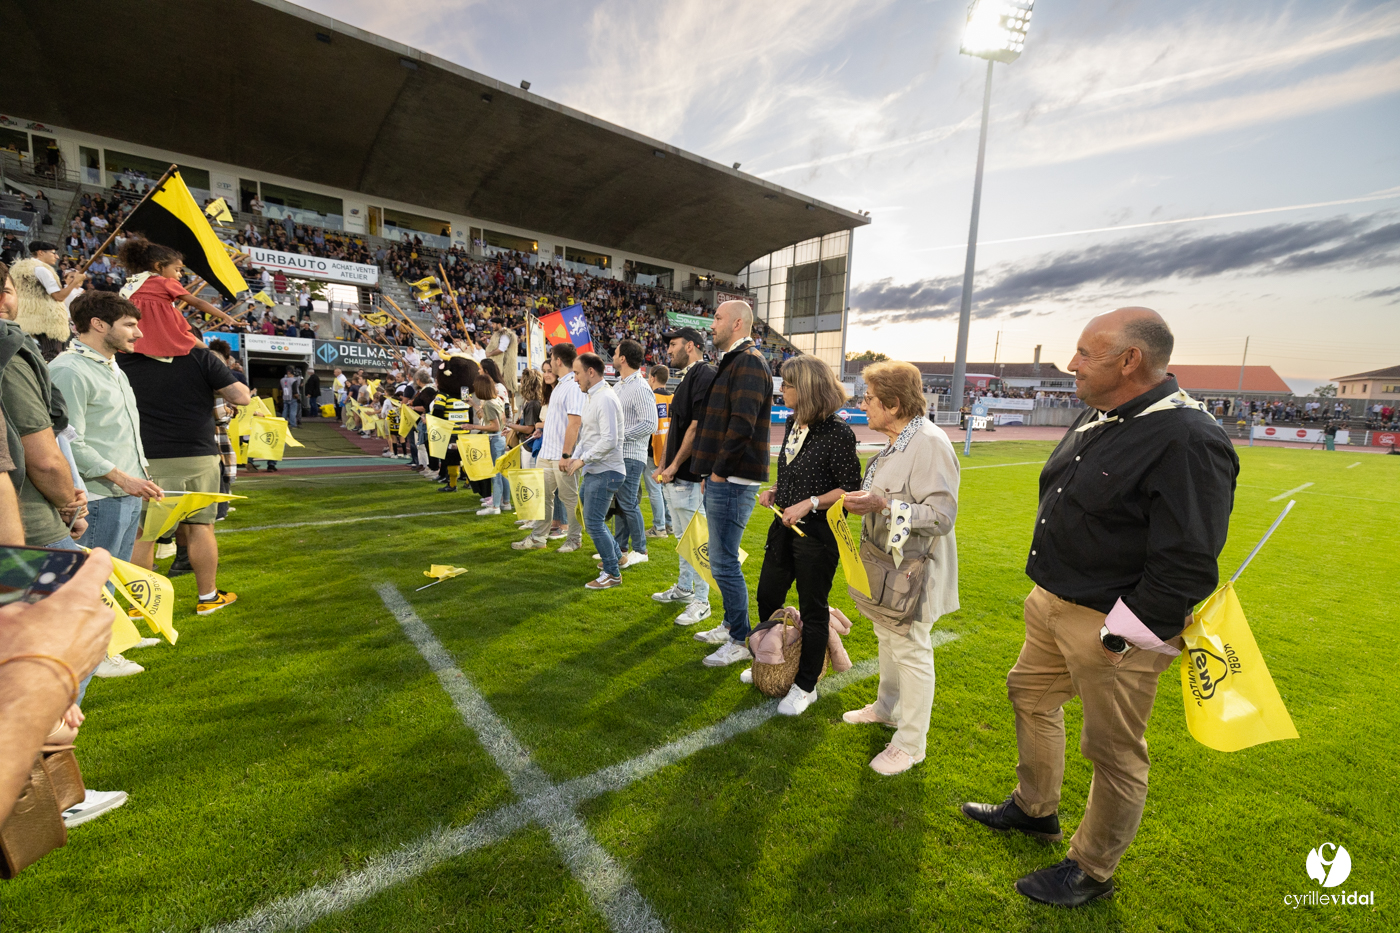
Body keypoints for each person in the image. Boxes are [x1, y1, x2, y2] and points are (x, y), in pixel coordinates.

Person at [961, 308, 1238, 907]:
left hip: (1112, 624)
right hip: (1053, 602)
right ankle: (1035, 809)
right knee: (1029, 694)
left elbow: (1189, 558)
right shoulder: (1102, 413)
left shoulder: (1188, 437)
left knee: (1112, 748)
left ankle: (1092, 867)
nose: (1071, 364)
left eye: (1086, 353)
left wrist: (1125, 633)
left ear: (1129, 360)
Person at [840, 361, 960, 775]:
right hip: (887, 566)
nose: (863, 405)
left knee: (910, 648)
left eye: (869, 399)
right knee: (887, 637)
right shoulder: (900, 439)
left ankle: (911, 743)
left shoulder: (928, 441)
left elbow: (942, 516)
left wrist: (884, 505)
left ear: (893, 404)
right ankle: (886, 709)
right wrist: (869, 501)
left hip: (915, 569)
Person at [754, 355, 862, 716]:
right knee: (768, 592)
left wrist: (809, 503)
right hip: (783, 525)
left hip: (817, 533)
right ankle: (774, 659)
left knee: (813, 608)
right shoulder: (791, 422)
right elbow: (794, 474)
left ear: (808, 388)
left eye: (786, 384)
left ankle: (806, 684)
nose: (780, 389)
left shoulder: (839, 432)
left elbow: (850, 490)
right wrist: (775, 490)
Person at [119, 332, 253, 615]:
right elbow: (242, 397)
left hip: (148, 457)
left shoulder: (123, 359)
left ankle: (141, 606)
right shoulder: (200, 357)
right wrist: (202, 350)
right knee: (201, 527)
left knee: (144, 534)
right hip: (198, 456)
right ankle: (208, 597)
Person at [50, 292, 164, 564]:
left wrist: (136, 477)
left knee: (112, 585)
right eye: (129, 324)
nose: (138, 333)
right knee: (93, 590)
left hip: (125, 492)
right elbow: (67, 443)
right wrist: (123, 478)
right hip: (97, 498)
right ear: (98, 324)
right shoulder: (69, 370)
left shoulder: (113, 368)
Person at [689, 300, 773, 667]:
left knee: (724, 563)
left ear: (738, 323)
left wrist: (719, 470)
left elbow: (743, 422)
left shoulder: (749, 361)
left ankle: (740, 638)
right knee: (722, 560)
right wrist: (711, 471)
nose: (713, 325)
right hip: (724, 476)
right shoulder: (736, 361)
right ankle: (730, 624)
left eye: (718, 318)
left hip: (734, 478)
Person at [651, 327, 716, 626]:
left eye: (674, 344)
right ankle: (685, 589)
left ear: (691, 346)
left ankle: (702, 601)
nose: (669, 350)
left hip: (689, 476)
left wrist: (674, 466)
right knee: (682, 539)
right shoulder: (687, 377)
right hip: (676, 475)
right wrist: (664, 464)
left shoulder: (703, 375)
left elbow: (695, 427)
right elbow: (677, 430)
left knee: (696, 539)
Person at [560, 352, 625, 588]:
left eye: (577, 373)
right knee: (593, 521)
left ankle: (612, 573)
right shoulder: (593, 397)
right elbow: (588, 437)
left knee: (594, 522)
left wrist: (581, 459)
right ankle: (617, 556)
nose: (574, 378)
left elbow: (609, 439)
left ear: (590, 372)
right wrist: (573, 457)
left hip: (605, 470)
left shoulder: (605, 398)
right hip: (597, 469)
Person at [116, 235, 240, 357]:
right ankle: (215, 358)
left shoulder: (133, 281)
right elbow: (198, 303)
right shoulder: (166, 282)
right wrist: (224, 316)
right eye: (177, 270)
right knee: (200, 346)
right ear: (158, 266)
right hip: (160, 327)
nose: (180, 275)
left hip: (134, 330)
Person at [513, 344, 585, 552]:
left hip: (561, 455)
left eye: (551, 358)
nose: (550, 362)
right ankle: (538, 537)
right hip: (547, 452)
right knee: (542, 496)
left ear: (558, 361)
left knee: (569, 498)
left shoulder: (573, 385)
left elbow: (575, 423)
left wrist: (566, 454)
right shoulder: (561, 385)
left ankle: (574, 538)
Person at [608, 338, 658, 568]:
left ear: (623, 358)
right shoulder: (619, 385)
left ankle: (641, 549)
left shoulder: (640, 387)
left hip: (632, 454)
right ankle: (620, 549)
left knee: (627, 502)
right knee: (621, 502)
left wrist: (621, 435)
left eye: (616, 352)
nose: (613, 355)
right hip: (618, 453)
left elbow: (650, 423)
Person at [10, 242, 83, 361]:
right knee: (52, 356)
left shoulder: (19, 269)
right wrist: (75, 282)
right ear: (41, 252)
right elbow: (58, 296)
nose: (57, 256)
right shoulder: (42, 270)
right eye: (53, 253)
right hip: (47, 321)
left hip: (26, 319)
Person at [644, 364, 671, 538]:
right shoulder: (674, 397)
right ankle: (669, 524)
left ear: (653, 377)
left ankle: (659, 527)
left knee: (654, 490)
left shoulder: (650, 397)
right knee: (665, 490)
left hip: (653, 450)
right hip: (669, 450)